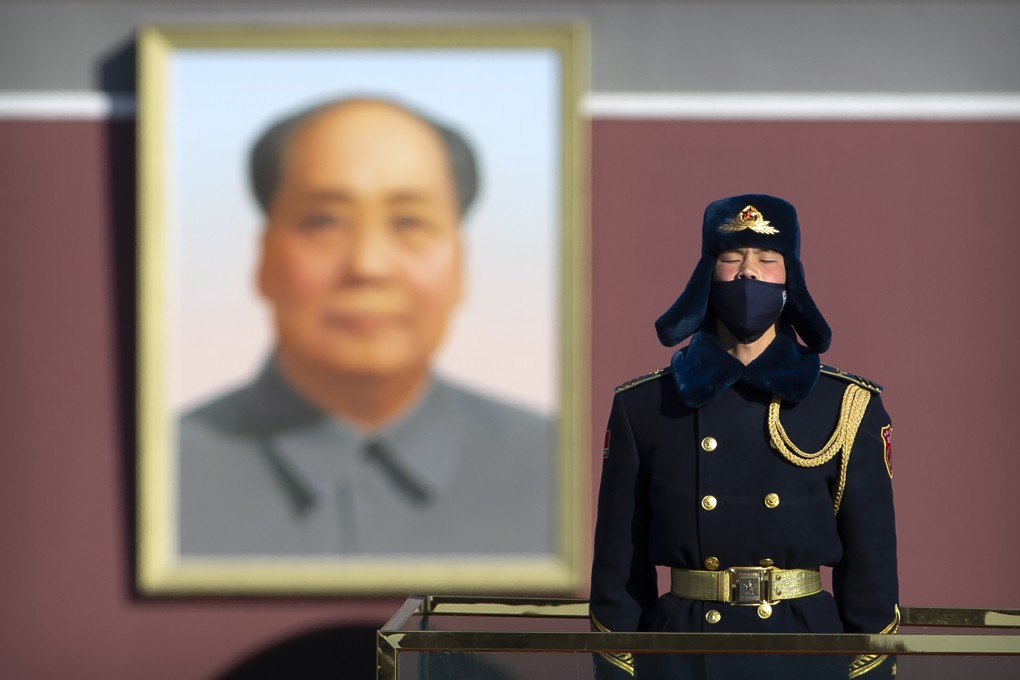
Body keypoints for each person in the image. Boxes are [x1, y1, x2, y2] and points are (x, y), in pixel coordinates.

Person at [177, 97, 554, 556]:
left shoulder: (563, 469)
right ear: (264, 259)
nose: (368, 265)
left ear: (461, 264)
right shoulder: (164, 474)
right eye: (325, 221)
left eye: (409, 222)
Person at [589, 194, 898, 679]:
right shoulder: (644, 405)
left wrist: (870, 671)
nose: (748, 274)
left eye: (767, 261)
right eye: (731, 260)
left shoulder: (845, 404)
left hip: (803, 651)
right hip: (684, 652)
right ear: (706, 277)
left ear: (790, 278)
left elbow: (871, 570)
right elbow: (618, 572)